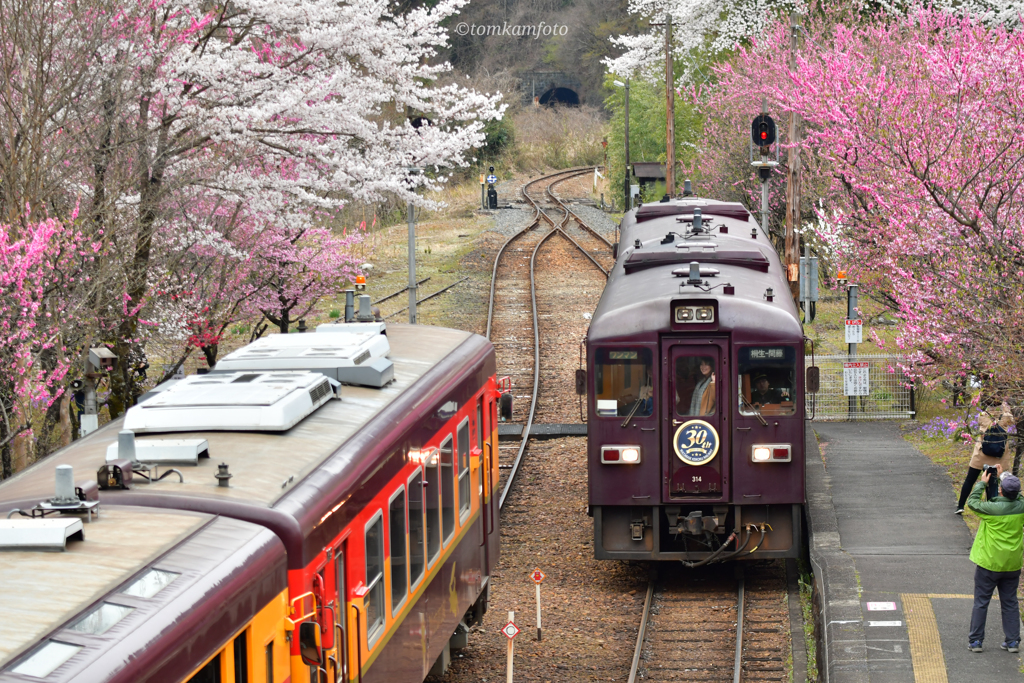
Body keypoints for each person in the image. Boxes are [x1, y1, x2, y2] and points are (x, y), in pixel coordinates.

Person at [966, 465, 1024, 653]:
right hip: (1012, 563)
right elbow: (1018, 496)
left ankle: (976, 641)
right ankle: (1013, 641)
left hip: (989, 563)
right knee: (1009, 601)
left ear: (1000, 490)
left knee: (981, 601)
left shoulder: (991, 509)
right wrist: (1005, 478)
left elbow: (973, 503)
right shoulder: (1021, 507)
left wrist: (982, 483)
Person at [956, 402, 1014, 514]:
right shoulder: (1005, 416)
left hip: (981, 454)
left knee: (970, 479)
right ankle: (991, 506)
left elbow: (979, 421)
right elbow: (1011, 421)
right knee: (994, 481)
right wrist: (1006, 408)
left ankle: (960, 505)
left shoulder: (983, 415)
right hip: (999, 456)